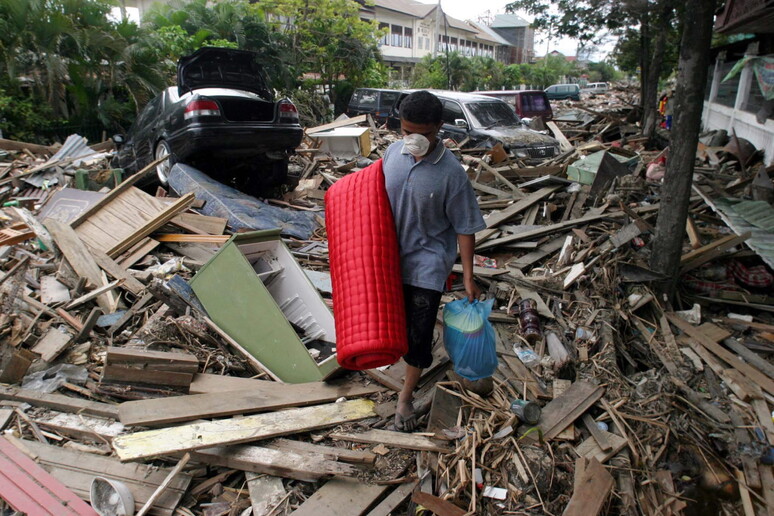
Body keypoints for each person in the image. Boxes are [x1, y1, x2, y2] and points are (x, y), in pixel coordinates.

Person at [382, 90, 486, 432]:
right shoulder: (391, 155)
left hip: (427, 266)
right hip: (387, 259)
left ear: (439, 127)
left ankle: (405, 397)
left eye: (422, 134)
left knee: (419, 334)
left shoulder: (451, 173)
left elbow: (465, 227)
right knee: (389, 324)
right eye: (406, 130)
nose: (413, 140)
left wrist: (468, 276)